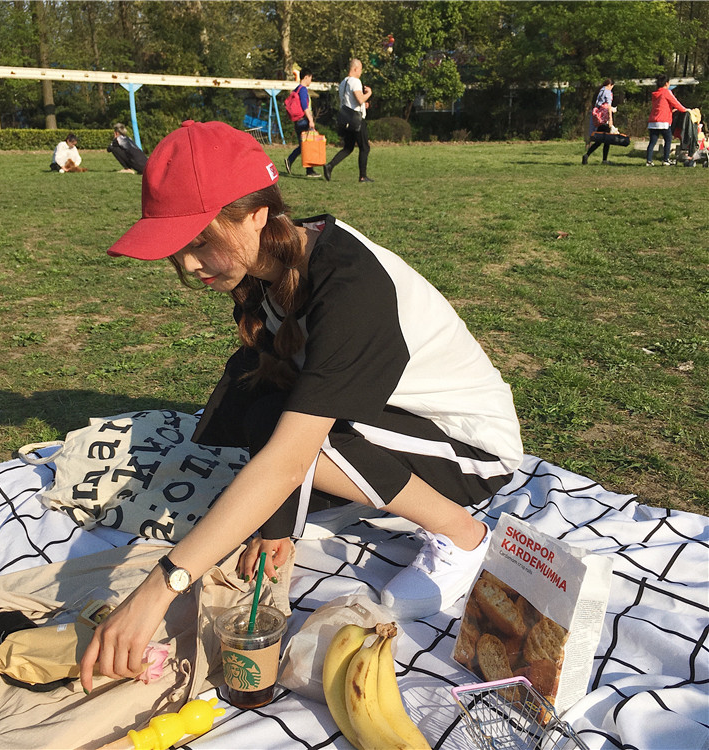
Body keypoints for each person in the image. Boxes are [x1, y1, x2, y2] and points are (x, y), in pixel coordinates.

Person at [80, 120, 523, 691]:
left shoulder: (351, 287)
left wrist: (161, 586)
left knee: (305, 441)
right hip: (394, 423)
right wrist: (277, 523)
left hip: (470, 454)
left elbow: (290, 456)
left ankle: (461, 535)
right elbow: (278, 390)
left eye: (199, 241)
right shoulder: (267, 265)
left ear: (256, 213)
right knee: (254, 393)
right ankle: (347, 497)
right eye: (178, 247)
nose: (189, 264)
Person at [324, 58, 373, 183]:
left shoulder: (343, 82)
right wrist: (369, 93)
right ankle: (363, 176)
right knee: (365, 147)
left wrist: (364, 105)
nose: (361, 72)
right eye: (360, 69)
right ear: (355, 69)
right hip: (357, 120)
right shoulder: (355, 82)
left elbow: (349, 101)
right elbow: (360, 99)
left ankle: (330, 165)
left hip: (346, 119)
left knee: (348, 148)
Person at [283, 68, 320, 178]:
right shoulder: (303, 90)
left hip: (297, 121)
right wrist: (311, 120)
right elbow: (305, 106)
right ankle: (309, 171)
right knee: (307, 145)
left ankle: (292, 161)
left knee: (304, 145)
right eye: (310, 78)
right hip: (304, 120)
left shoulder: (296, 89)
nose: (311, 81)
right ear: (306, 77)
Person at [646, 74, 689, 166]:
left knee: (652, 142)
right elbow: (675, 103)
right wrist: (685, 110)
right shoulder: (666, 92)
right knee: (668, 140)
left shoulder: (655, 94)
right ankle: (665, 160)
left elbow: (660, 106)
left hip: (653, 121)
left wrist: (670, 110)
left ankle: (649, 161)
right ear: (666, 83)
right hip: (663, 121)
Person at [582, 79, 615, 165]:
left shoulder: (600, 91)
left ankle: (587, 155)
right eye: (612, 86)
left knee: (599, 140)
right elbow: (608, 106)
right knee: (607, 140)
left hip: (599, 119)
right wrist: (611, 119)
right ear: (610, 85)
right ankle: (604, 160)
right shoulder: (608, 92)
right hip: (605, 119)